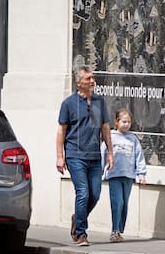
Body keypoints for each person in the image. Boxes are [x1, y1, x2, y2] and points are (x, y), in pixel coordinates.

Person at [56, 65, 114, 247]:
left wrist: (110, 153)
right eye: (88, 78)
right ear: (79, 82)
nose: (92, 81)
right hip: (75, 155)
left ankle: (77, 218)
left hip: (95, 156)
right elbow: (61, 131)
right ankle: (81, 233)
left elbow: (105, 128)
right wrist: (60, 156)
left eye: (93, 78)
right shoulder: (68, 104)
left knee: (94, 195)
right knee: (83, 193)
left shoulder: (99, 102)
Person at [101, 108, 147, 243]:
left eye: (129, 122)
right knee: (117, 202)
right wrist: (99, 172)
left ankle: (119, 230)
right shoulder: (110, 136)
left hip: (128, 175)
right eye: (123, 122)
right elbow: (103, 153)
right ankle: (114, 230)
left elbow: (139, 156)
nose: (126, 124)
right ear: (116, 122)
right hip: (114, 174)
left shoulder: (133, 138)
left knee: (124, 203)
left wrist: (141, 173)